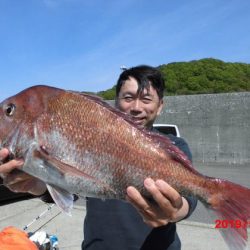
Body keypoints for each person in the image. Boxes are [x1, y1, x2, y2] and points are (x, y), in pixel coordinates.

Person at [0, 65, 197, 250]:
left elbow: (190, 194)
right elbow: (71, 187)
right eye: (128, 97)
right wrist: (34, 185)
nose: (136, 107)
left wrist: (177, 211)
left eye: (146, 100)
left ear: (160, 106)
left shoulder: (174, 146)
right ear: (116, 100)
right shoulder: (93, 139)